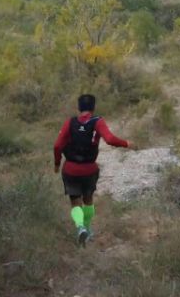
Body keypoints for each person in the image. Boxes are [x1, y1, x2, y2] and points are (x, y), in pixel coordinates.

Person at [52, 93, 132, 246]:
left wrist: (57, 163)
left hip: (70, 170)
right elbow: (110, 139)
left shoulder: (70, 122)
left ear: (79, 107)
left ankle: (80, 227)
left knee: (75, 203)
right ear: (93, 108)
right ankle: (87, 229)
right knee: (88, 200)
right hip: (89, 170)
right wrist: (127, 143)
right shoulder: (97, 121)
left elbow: (57, 146)